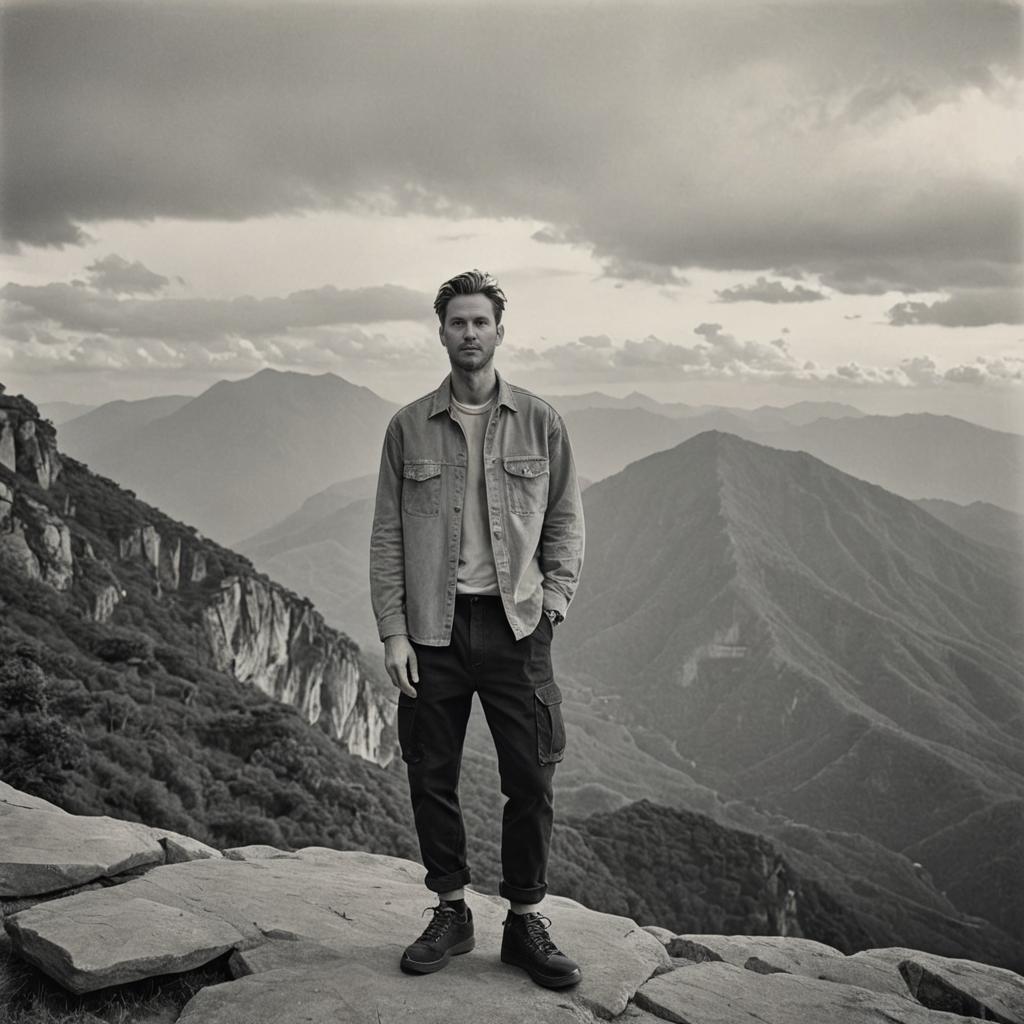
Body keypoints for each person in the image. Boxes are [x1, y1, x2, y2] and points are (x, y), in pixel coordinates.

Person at [369, 269, 585, 988]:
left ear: (499, 331)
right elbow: (387, 536)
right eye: (457, 323)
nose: (469, 334)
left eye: (480, 322)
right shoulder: (407, 426)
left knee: (532, 779)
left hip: (517, 626)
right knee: (432, 774)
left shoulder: (541, 420)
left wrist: (554, 598)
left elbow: (565, 516)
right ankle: (452, 910)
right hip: (432, 630)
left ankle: (524, 921)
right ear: (441, 332)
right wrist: (394, 632)